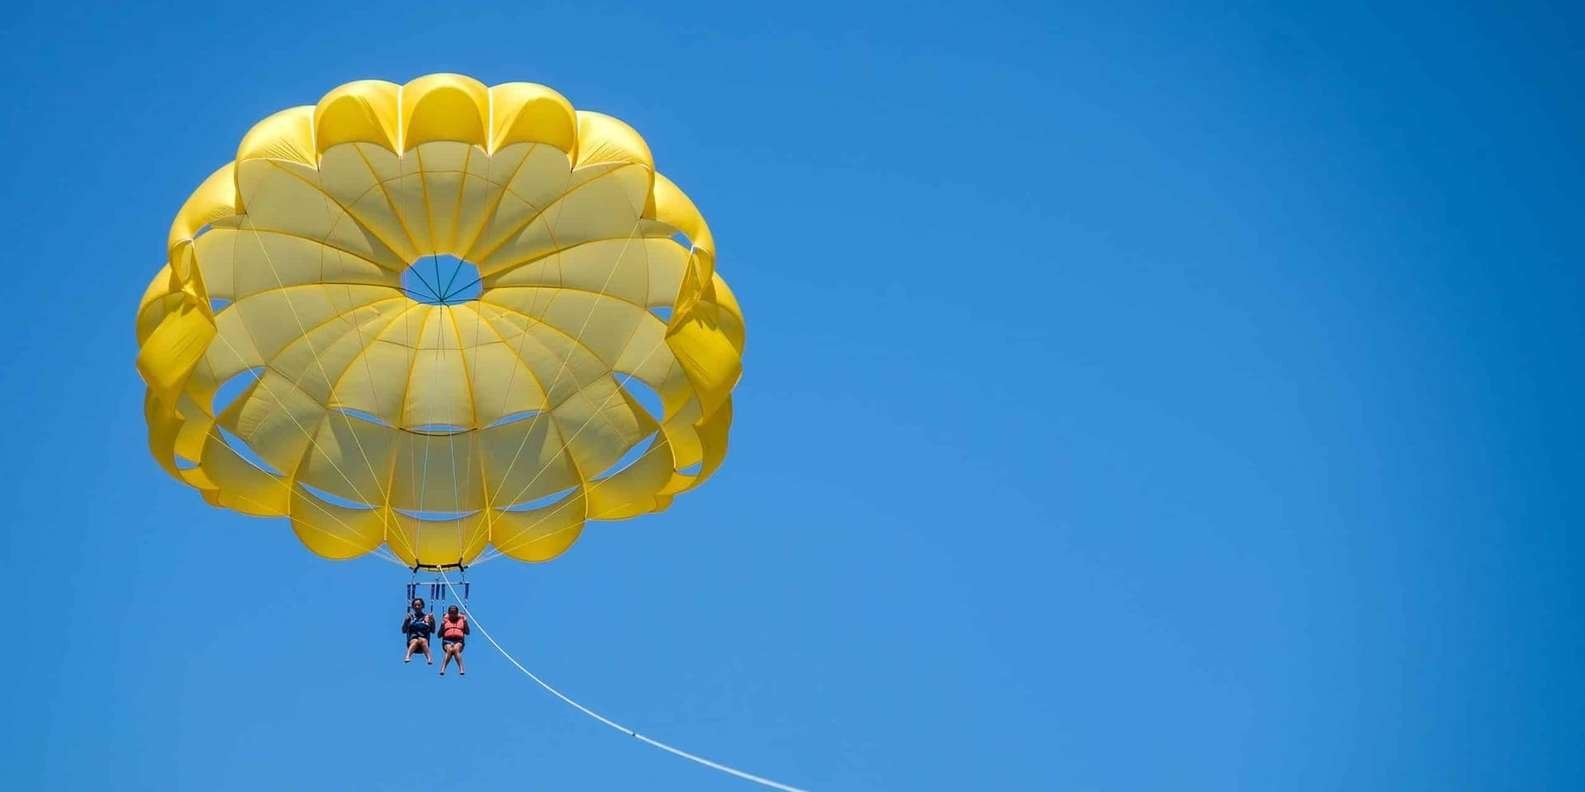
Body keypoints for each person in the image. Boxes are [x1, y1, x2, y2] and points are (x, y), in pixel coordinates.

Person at [437, 604, 469, 677]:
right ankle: (443, 668)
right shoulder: (445, 621)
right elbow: (439, 635)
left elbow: (467, 632)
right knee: (449, 649)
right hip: (447, 641)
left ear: (457, 613)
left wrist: (465, 622)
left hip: (459, 641)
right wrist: (442, 625)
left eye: (454, 613)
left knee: (456, 649)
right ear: (449, 613)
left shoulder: (462, 620)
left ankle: (461, 668)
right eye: (451, 613)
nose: (453, 614)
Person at [403, 598, 435, 664]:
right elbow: (404, 630)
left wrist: (433, 621)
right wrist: (406, 621)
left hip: (423, 642)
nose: (417, 607)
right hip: (413, 640)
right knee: (415, 641)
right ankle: (408, 656)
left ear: (422, 606)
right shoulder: (410, 617)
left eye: (419, 605)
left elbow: (433, 631)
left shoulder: (427, 617)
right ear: (413, 607)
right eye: (415, 605)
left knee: (422, 640)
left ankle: (429, 658)